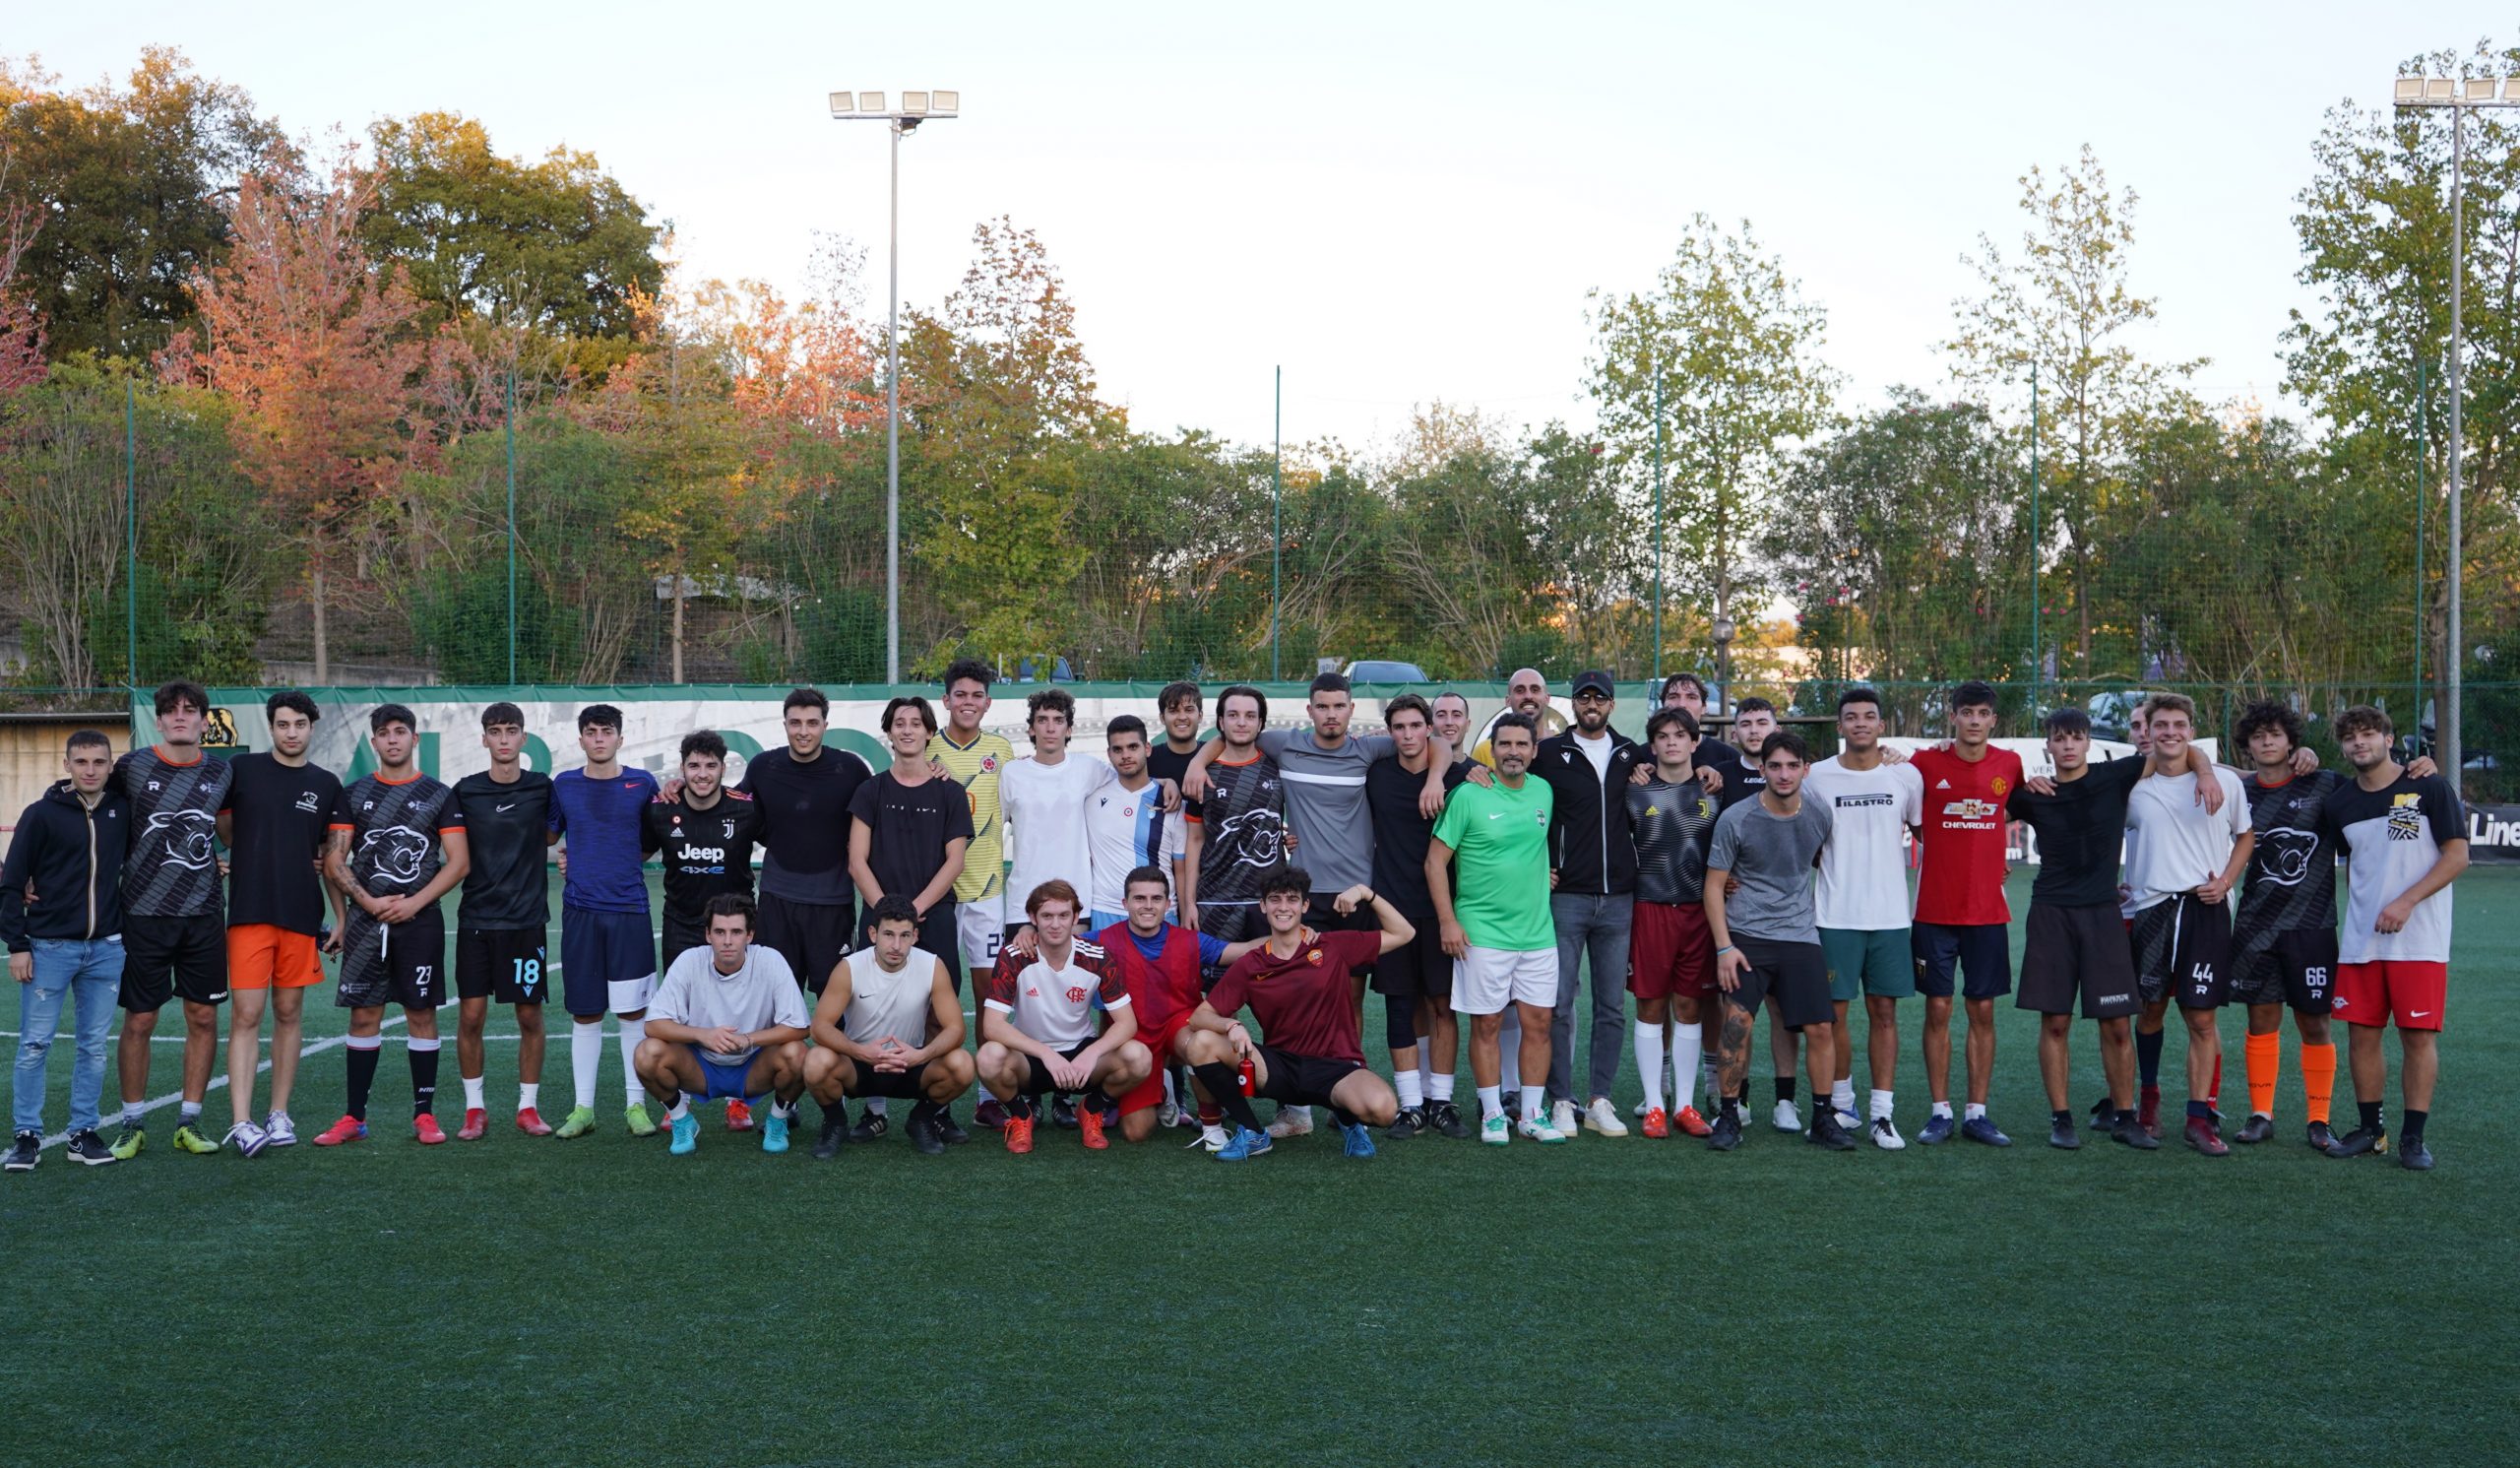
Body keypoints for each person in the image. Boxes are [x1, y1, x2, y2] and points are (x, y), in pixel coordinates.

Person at [1183, 671, 1446, 1138]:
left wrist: (1440, 776)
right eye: (1322, 706)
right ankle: (1293, 1104)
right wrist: (1197, 764)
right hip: (1301, 894)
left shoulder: (1370, 749)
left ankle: (1339, 1092)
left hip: (1355, 893)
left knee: (1349, 1000)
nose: (1330, 714)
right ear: (1310, 710)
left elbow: (1437, 741)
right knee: (1287, 994)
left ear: (1350, 710)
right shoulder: (1287, 744)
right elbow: (1227, 733)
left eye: (1339, 706)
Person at [2317, 706, 2467, 1171]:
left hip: (2418, 939)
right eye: (2350, 737)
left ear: (2388, 738)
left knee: (2417, 1037)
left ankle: (2413, 1139)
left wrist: (2405, 902)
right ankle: (2370, 1130)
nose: (2359, 743)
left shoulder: (2428, 786)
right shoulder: (2340, 802)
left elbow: (2457, 856)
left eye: (2368, 734)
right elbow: (2359, 867)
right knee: (2361, 1036)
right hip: (2362, 941)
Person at [2006, 708, 2164, 1151]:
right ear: (2048, 747)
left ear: (2089, 743)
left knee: (2117, 1024)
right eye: (2060, 739)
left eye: (2076, 737)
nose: (2069, 745)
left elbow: (2180, 754)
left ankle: (2126, 1117)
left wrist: (2208, 773)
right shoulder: (2033, 795)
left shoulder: (2115, 776)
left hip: (2102, 914)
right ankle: (2061, 1119)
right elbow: (1975, 817)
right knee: (2055, 1021)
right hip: (2052, 913)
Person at [313, 705, 471, 1147]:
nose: (393, 740)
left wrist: (414, 903)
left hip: (420, 924)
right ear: (374, 743)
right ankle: (353, 1118)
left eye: (401, 732)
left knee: (421, 1014)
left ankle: (425, 1115)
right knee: (365, 1016)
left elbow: (459, 863)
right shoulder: (354, 793)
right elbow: (334, 860)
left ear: (415, 739)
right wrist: (362, 905)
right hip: (367, 923)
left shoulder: (440, 794)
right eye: (384, 733)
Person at [1189, 866, 1412, 1161]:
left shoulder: (1332, 947)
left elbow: (1404, 932)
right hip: (1279, 1068)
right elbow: (1200, 1017)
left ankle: (1348, 1121)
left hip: (1336, 1068)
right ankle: (1254, 1133)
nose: (1283, 907)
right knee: (1200, 1042)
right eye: (1275, 899)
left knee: (1383, 1109)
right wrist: (1230, 1024)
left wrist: (1365, 892)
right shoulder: (1251, 964)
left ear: (1304, 906)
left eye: (1292, 899)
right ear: (1263, 906)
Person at [1703, 731, 1851, 1152]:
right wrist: (1724, 948)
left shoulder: (1819, 813)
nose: (1783, 774)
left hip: (1800, 934)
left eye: (1792, 766)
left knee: (1820, 1027)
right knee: (1736, 1024)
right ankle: (1729, 1115)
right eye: (1775, 766)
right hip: (1747, 935)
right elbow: (1713, 887)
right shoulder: (1736, 818)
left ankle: (1822, 1116)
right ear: (1762, 769)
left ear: (1805, 769)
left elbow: (1817, 861)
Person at [2121, 693, 2253, 1155]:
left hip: (2206, 907)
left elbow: (2245, 835)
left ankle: (2199, 1117)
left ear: (2192, 731)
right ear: (2148, 731)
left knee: (2201, 1018)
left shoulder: (2225, 784)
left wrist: (2229, 880)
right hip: (2153, 908)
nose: (2170, 733)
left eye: (2179, 725)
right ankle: (2150, 1100)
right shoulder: (2134, 787)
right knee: (2150, 1010)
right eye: (2161, 726)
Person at [216, 690, 345, 1154]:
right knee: (246, 1014)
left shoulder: (326, 784)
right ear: (271, 727)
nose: (292, 733)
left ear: (312, 728)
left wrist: (339, 916)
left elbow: (330, 854)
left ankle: (278, 1113)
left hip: (299, 914)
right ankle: (242, 1120)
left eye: (300, 725)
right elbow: (224, 829)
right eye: (284, 725)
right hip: (249, 911)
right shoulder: (241, 770)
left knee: (289, 1014)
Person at [108, 680, 233, 1159]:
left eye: (191, 710)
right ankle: (132, 1123)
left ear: (205, 721)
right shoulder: (132, 766)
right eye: (171, 711)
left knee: (202, 1016)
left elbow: (232, 830)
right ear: (158, 721)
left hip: (202, 914)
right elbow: (97, 816)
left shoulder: (222, 773)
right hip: (143, 912)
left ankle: (189, 1121)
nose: (181, 717)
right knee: (140, 1019)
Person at [1427, 712, 1562, 1145]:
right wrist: (1448, 921)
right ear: (1493, 748)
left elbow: (1534, 851)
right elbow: (1434, 862)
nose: (1513, 752)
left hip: (1538, 934)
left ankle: (1532, 1114)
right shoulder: (1468, 795)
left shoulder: (1543, 791)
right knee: (1485, 1026)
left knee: (1538, 1024)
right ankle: (1491, 1115)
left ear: (1534, 750)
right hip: (1482, 934)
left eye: (1522, 745)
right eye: (1505, 744)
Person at [2226, 701, 2354, 1148]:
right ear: (2248, 746)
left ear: (2292, 741)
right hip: (2256, 926)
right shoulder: (2240, 793)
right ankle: (2261, 1114)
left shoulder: (2325, 784)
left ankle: (2319, 1119)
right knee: (2262, 1020)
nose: (2266, 742)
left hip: (2312, 925)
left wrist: (2425, 763)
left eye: (2275, 734)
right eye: (2258, 736)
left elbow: (2374, 785)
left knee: (2315, 1023)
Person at [1799, 687, 1922, 1149]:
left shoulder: (1905, 776)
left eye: (1869, 717)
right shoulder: (1818, 780)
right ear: (1840, 726)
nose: (1861, 724)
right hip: (1835, 914)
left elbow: (1923, 830)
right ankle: (1843, 1102)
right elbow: (1808, 846)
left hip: (1890, 917)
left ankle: (1882, 1115)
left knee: (1885, 1013)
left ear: (1881, 725)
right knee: (1832, 1015)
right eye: (1852, 717)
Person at [1089, 865, 1285, 1149]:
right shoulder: (1102, 941)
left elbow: (1241, 951)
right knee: (1136, 1132)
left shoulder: (1189, 940)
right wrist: (1028, 934)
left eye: (1156, 899)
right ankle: (1164, 1088)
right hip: (1135, 1041)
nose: (1147, 906)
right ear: (1125, 903)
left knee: (1199, 1043)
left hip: (1180, 1028)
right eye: (1139, 898)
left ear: (1168, 905)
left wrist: (1290, 934)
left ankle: (1211, 1123)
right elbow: (1058, 943)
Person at [3, 731, 129, 1171]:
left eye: (98, 762)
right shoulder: (40, 815)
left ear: (111, 766)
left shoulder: (121, 811)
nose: (90, 770)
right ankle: (26, 1135)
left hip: (107, 949)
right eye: (81, 762)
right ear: (67, 765)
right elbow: (11, 882)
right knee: (35, 1044)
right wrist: (17, 946)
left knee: (93, 1046)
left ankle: (82, 1133)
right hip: (49, 948)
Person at [1906, 680, 2023, 1147]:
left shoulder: (2009, 764)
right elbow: (1912, 818)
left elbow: (2016, 807)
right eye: (1966, 712)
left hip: (1988, 914)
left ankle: (1977, 1112)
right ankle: (1940, 1112)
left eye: (1982, 713)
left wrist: (1994, 854)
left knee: (1984, 1010)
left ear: (1994, 720)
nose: (1974, 721)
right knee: (1937, 1008)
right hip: (1934, 911)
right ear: (1952, 717)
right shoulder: (1924, 763)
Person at [1536, 669, 1644, 1138]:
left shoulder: (1632, 754)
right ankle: (1561, 1099)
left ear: (1612, 705)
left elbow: (1691, 763)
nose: (1591, 704)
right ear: (1573, 704)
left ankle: (1601, 1099)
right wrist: (1541, 864)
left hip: (1619, 898)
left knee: (1611, 1007)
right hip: (1567, 898)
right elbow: (1521, 802)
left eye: (1600, 698)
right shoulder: (1548, 754)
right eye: (1584, 697)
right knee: (1559, 1004)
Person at [548, 704, 663, 1140]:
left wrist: (614, 863)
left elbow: (654, 840)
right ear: (580, 740)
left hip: (630, 911)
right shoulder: (565, 785)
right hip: (580, 912)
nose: (599, 739)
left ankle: (636, 1105)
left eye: (607, 731)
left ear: (620, 737)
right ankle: (584, 1108)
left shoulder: (643, 784)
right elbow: (550, 835)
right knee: (586, 1013)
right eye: (591, 732)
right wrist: (571, 861)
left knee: (633, 1013)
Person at [1364, 694, 1472, 1140]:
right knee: (1399, 1006)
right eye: (1399, 727)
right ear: (1390, 732)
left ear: (1428, 728)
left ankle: (1440, 1101)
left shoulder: (1462, 776)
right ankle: (1410, 1105)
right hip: (1392, 910)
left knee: (1443, 1006)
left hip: (1442, 908)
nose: (1408, 735)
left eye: (1415, 726)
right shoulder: (1375, 774)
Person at [451, 702, 557, 1139]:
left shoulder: (543, 788)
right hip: (477, 920)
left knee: (529, 1017)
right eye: (495, 731)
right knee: (471, 1017)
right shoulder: (465, 791)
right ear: (484, 739)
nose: (504, 739)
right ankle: (475, 1109)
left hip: (526, 922)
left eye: (512, 731)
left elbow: (562, 832)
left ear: (523, 738)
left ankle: (527, 1108)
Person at [800, 895, 977, 1158]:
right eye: (888, 934)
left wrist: (920, 1055)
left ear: (915, 936)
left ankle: (921, 1119)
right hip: (859, 1065)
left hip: (910, 1061)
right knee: (816, 1061)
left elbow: (956, 1029)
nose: (896, 945)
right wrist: (862, 1053)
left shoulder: (932, 966)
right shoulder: (850, 967)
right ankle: (835, 1124)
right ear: (872, 933)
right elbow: (820, 1027)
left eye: (905, 935)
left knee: (962, 1064)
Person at [977, 880, 1147, 1153]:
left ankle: (1091, 1109)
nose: (1055, 924)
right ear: (1032, 918)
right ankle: (1022, 1116)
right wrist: (1045, 1053)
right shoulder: (1013, 956)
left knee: (1138, 1057)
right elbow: (992, 1026)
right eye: (1046, 916)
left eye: (1063, 915)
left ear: (1076, 917)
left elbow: (1127, 1023)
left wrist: (1092, 1054)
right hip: (1031, 1058)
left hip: (1081, 1056)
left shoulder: (1097, 957)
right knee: (988, 1057)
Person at [635, 894, 809, 1157]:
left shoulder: (770, 961)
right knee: (647, 1053)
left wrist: (749, 1039)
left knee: (798, 1053)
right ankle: (682, 1121)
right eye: (719, 932)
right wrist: (702, 1035)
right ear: (708, 935)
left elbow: (799, 1027)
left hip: (753, 1066)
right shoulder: (689, 961)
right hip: (700, 1066)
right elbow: (654, 1025)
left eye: (736, 932)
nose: (727, 941)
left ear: (750, 935)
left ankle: (777, 1120)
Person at [1624, 707, 1722, 1140]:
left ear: (1694, 743)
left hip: (1699, 912)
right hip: (1649, 909)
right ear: (1653, 744)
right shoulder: (1634, 792)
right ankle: (1656, 1105)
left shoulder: (1714, 790)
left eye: (1680, 735)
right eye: (1662, 736)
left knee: (1689, 1007)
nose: (1671, 742)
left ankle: (1685, 1104)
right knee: (1650, 1006)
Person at [739, 687, 873, 998]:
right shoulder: (763, 767)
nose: (803, 731)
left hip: (832, 904)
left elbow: (886, 806)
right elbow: (729, 805)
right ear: (784, 725)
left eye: (812, 723)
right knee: (775, 999)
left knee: (837, 1002)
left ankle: (836, 1050)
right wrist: (679, 787)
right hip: (777, 901)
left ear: (825, 726)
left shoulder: (850, 769)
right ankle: (783, 1050)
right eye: (795, 723)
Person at [1435, 689, 1521, 1113]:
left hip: (1477, 908)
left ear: (1469, 724)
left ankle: (1510, 1090)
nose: (1449, 721)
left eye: (1457, 714)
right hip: (1419, 901)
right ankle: (1428, 1099)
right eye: (1441, 714)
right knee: (1428, 1001)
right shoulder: (1400, 762)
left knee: (1501, 1007)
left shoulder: (1481, 775)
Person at [846, 696, 970, 969]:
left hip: (934, 914)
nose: (907, 730)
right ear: (889, 732)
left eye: (916, 724)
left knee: (939, 1004)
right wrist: (887, 914)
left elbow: (955, 861)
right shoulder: (869, 791)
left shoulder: (952, 793)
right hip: (879, 916)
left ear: (929, 732)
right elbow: (856, 862)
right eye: (899, 724)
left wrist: (915, 910)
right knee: (873, 1000)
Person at [1179, 685, 1287, 947]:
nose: (1241, 722)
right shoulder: (1201, 774)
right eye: (1233, 715)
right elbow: (1194, 841)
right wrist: (1189, 904)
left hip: (1270, 901)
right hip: (1216, 900)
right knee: (1218, 987)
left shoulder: (1279, 766)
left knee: (1272, 984)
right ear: (1220, 721)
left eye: (1250, 716)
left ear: (1260, 723)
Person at [930, 661, 1014, 992]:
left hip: (986, 888)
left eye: (977, 695)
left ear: (987, 703)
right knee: (934, 987)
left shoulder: (1002, 750)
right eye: (960, 694)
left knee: (988, 989)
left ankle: (988, 1048)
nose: (969, 702)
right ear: (946, 700)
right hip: (938, 889)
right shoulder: (926, 748)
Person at [1084, 716, 1168, 930]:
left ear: (1147, 749)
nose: (1126, 755)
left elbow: (1183, 865)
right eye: (1118, 749)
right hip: (1106, 912)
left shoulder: (1170, 801)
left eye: (1133, 747)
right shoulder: (1090, 799)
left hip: (1161, 913)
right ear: (1109, 754)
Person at [1147, 681, 1206, 901]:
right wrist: (1160, 780)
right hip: (1161, 877)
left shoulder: (1216, 757)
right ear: (1162, 718)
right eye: (1173, 710)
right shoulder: (1149, 760)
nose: (1182, 717)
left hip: (1210, 872)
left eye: (1189, 710)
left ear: (1200, 715)